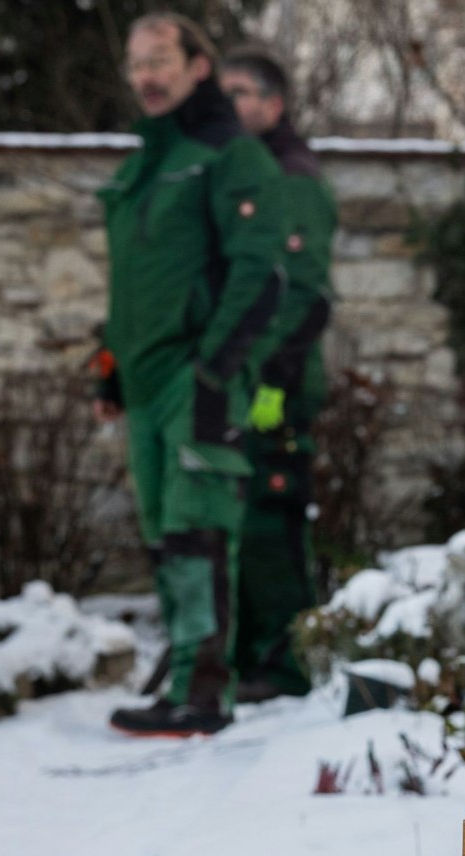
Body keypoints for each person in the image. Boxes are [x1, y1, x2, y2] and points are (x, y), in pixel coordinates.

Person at [93, 13, 286, 737]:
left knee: (200, 530)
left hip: (196, 378)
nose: (145, 75)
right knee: (166, 537)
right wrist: (110, 370)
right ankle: (179, 685)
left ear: (197, 67)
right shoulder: (144, 166)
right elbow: (133, 286)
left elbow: (261, 275)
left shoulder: (229, 157)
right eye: (136, 62)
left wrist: (214, 374)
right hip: (142, 385)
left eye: (160, 61)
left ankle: (204, 693)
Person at [219, 46, 336, 704]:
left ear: (273, 105)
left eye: (242, 93)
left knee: (274, 521)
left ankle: (287, 665)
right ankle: (251, 654)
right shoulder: (251, 176)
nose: (231, 105)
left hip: (277, 386)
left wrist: (273, 385)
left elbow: (305, 295)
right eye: (225, 92)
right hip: (244, 382)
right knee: (245, 522)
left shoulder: (293, 178)